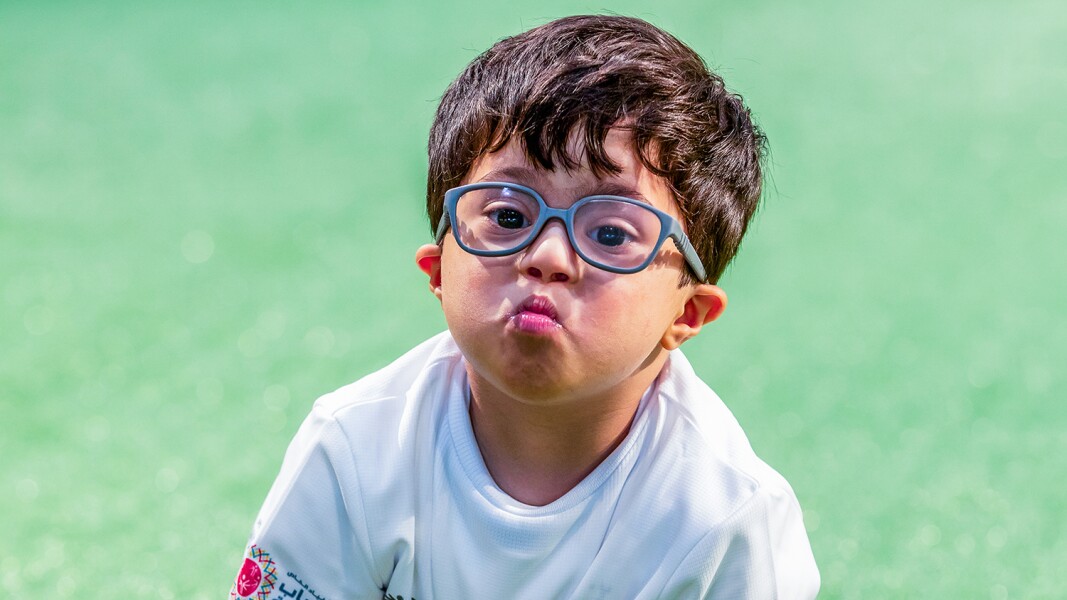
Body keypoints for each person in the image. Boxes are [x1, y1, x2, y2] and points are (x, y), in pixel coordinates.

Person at [230, 15, 819, 600]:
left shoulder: (729, 520)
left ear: (686, 315)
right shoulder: (355, 449)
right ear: (438, 270)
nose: (547, 255)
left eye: (611, 233)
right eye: (509, 216)